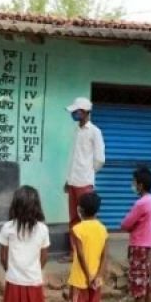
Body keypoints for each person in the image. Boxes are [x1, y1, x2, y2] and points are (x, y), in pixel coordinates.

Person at [0, 186, 50, 302]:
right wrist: (34, 270)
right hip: (34, 282)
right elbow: (44, 257)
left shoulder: (8, 227)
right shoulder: (43, 229)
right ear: (37, 205)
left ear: (15, 204)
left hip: (14, 282)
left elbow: (3, 257)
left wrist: (11, 271)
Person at [57, 192, 108, 302]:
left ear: (81, 210)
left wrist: (87, 276)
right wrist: (97, 275)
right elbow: (104, 256)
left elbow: (79, 254)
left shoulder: (77, 229)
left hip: (81, 279)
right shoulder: (102, 229)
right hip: (98, 280)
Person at [61, 97, 105, 263]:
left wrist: (88, 172)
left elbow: (100, 159)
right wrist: (68, 178)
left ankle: (87, 251)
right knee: (73, 218)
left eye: (76, 111)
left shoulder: (94, 132)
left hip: (85, 182)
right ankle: (74, 252)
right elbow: (73, 157)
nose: (73, 114)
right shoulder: (76, 131)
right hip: (73, 181)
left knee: (86, 218)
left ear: (85, 112)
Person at [121, 167, 151, 302]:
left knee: (138, 283)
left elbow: (126, 223)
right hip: (148, 246)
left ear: (141, 185)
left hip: (138, 247)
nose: (133, 185)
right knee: (147, 282)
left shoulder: (141, 203)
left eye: (134, 182)